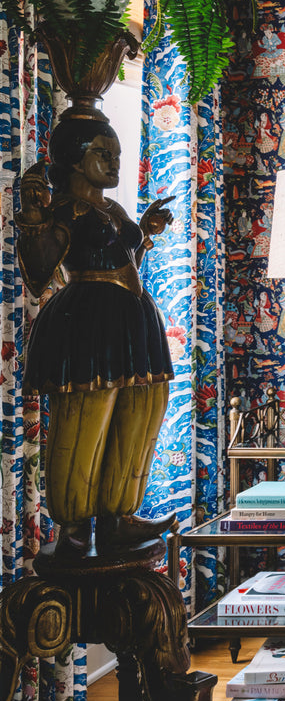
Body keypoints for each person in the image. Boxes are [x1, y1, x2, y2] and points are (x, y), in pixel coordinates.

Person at [16, 117, 175, 555]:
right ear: (73, 160)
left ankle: (117, 516)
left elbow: (124, 258)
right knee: (86, 421)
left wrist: (145, 231)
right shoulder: (65, 209)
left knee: (139, 414)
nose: (114, 162)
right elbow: (38, 272)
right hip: (88, 320)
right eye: (102, 154)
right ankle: (72, 524)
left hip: (133, 320)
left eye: (117, 155)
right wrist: (33, 218)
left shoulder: (115, 210)